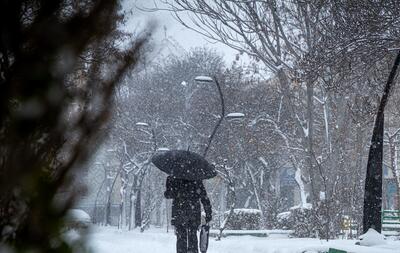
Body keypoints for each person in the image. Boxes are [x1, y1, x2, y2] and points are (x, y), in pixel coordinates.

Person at [164, 176, 212, 253]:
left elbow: (168, 195)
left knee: (181, 238)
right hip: (193, 213)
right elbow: (204, 197)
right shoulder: (196, 178)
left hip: (179, 212)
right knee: (192, 237)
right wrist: (208, 212)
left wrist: (173, 189)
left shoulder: (174, 177)